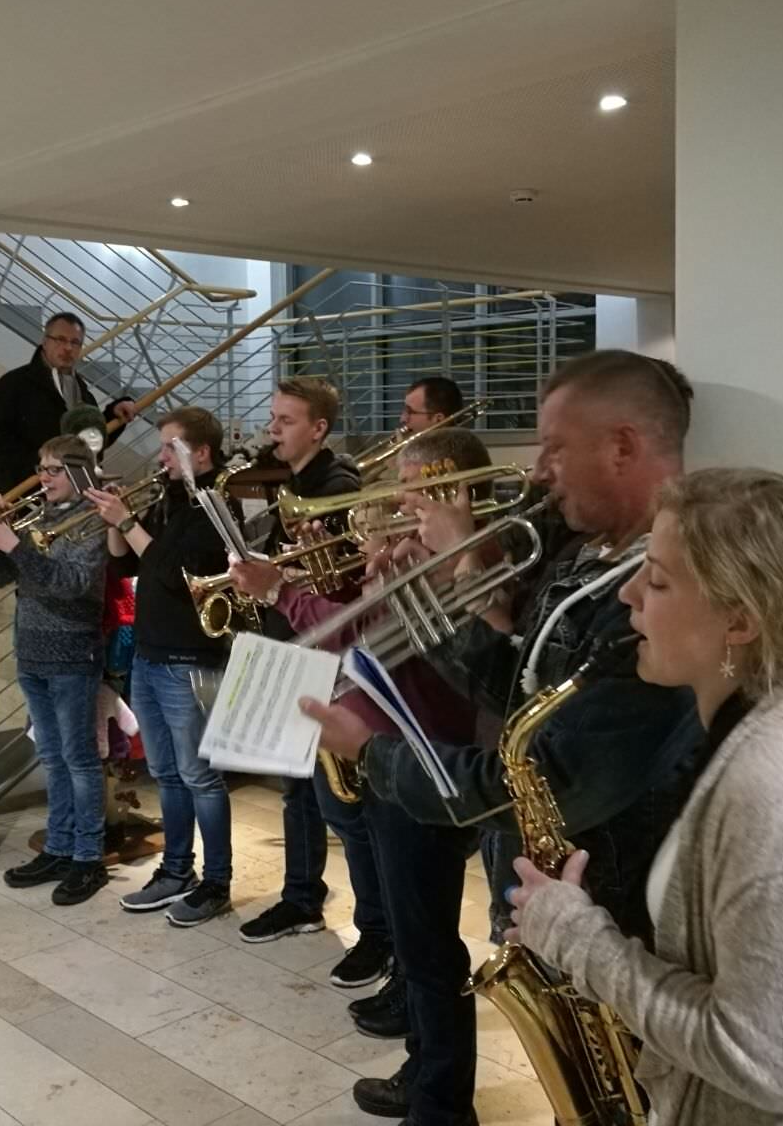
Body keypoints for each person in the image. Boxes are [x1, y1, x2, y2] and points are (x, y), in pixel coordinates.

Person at [303, 350, 704, 1123]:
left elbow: (545, 778)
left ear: (622, 445)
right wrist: (428, 586)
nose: (540, 470)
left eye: (555, 446)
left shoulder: (656, 598)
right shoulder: (584, 553)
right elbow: (512, 686)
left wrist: (373, 754)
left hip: (622, 898)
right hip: (572, 884)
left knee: (633, 1098)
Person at [503, 468, 783, 1125]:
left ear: (739, 620)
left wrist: (575, 938)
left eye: (657, 580)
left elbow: (762, 1061)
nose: (627, 594)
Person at [230, 427, 491, 1126]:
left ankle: (441, 1103)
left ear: (450, 492)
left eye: (410, 497)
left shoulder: (463, 562)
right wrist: (358, 574)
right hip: (394, 764)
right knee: (418, 944)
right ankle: (425, 1070)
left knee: (429, 951)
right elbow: (367, 625)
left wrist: (284, 590)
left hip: (423, 770)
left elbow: (361, 634)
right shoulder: (425, 558)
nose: (401, 510)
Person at [236, 377, 380, 955]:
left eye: (285, 420)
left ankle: (377, 931)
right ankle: (301, 898)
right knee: (295, 792)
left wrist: (283, 577)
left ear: (318, 428)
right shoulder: (291, 484)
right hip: (290, 647)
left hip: (327, 660)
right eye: (273, 417)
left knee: (342, 807)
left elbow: (347, 588)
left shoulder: (337, 487)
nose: (272, 429)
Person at [85, 408, 234, 927]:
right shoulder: (169, 497)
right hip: (150, 655)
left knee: (200, 777)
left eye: (171, 447)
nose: (161, 456)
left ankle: (217, 882)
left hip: (190, 659)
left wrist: (127, 522)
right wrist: (116, 521)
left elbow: (175, 576)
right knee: (167, 774)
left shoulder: (215, 504)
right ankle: (176, 870)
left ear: (202, 452)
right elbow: (127, 563)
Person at [0, 435, 110, 906]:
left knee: (79, 760)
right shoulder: (40, 517)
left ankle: (88, 857)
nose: (42, 478)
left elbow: (71, 583)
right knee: (52, 758)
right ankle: (59, 847)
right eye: (41, 468)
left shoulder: (94, 519)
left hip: (72, 655)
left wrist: (14, 544)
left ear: (78, 472)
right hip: (31, 650)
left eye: (52, 469)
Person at [0, 311, 138, 493]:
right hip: (24, 491)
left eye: (75, 342)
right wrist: (42, 463)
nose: (68, 348)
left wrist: (114, 413)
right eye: (60, 340)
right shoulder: (15, 384)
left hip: (72, 493)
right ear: (45, 341)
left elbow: (90, 441)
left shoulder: (82, 392)